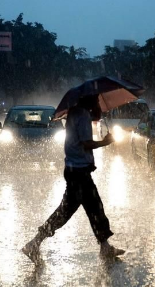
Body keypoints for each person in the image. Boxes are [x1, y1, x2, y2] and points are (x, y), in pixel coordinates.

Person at [22, 95, 125, 266]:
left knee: (85, 209)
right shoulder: (83, 115)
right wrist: (105, 142)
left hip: (74, 170)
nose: (97, 102)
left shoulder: (74, 113)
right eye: (96, 100)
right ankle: (34, 243)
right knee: (84, 209)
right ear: (88, 100)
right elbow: (86, 144)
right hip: (79, 172)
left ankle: (104, 247)